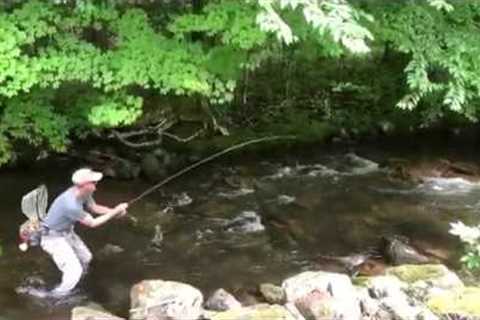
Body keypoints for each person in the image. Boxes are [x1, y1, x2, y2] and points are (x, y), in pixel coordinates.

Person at [39, 168, 128, 297]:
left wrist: (113, 211)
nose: (96, 185)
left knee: (86, 258)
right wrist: (115, 211)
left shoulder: (84, 193)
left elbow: (94, 208)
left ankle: (78, 281)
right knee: (74, 271)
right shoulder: (70, 204)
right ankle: (54, 297)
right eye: (93, 182)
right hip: (52, 238)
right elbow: (92, 223)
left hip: (66, 232)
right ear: (83, 185)